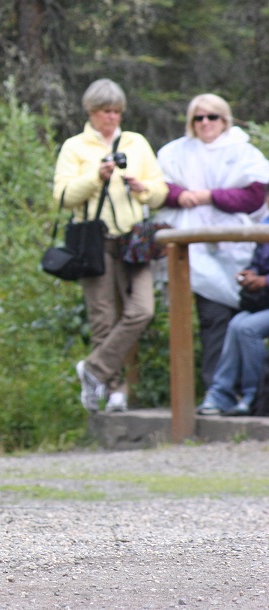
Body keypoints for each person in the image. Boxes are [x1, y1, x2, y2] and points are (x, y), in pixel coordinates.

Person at [53, 79, 168, 413]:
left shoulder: (136, 143)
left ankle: (93, 370)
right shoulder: (75, 147)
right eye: (106, 111)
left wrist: (142, 187)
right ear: (91, 112)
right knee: (103, 317)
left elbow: (160, 191)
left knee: (142, 309)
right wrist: (96, 177)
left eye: (117, 111)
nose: (112, 117)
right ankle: (115, 390)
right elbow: (62, 197)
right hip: (95, 241)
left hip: (133, 241)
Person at [155, 94, 269, 389]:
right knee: (214, 320)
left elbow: (254, 195)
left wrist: (210, 196)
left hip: (242, 251)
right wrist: (179, 195)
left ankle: (249, 392)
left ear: (224, 119)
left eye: (212, 117)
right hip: (197, 253)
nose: (205, 123)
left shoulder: (243, 153)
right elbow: (156, 188)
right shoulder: (175, 153)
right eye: (198, 118)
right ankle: (216, 392)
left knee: (243, 322)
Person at [196, 225, 269, 417]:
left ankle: (253, 395)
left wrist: (265, 281)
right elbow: (257, 262)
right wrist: (249, 273)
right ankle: (221, 393)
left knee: (247, 328)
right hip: (263, 303)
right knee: (236, 323)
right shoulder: (265, 224)